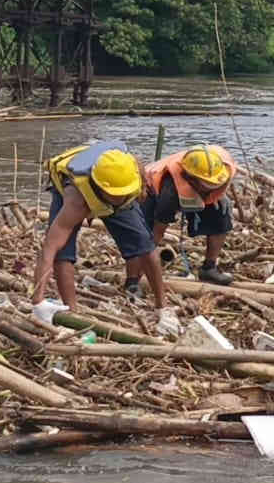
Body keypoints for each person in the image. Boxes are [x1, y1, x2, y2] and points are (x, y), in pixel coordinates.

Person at [30, 140, 177, 337]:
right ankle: (71, 311)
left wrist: (163, 309)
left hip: (117, 187)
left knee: (145, 245)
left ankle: (162, 307)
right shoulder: (76, 199)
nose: (118, 199)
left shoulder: (132, 176)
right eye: (113, 196)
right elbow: (50, 248)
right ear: (100, 188)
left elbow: (148, 250)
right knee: (62, 253)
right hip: (77, 187)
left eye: (122, 195)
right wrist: (37, 301)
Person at [137, 143, 239, 289]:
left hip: (198, 184)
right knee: (145, 232)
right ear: (192, 179)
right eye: (207, 185)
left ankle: (209, 268)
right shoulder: (170, 191)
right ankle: (137, 273)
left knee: (221, 215)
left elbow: (217, 183)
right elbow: (158, 230)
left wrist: (220, 194)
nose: (211, 188)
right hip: (151, 188)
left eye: (214, 184)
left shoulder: (223, 166)